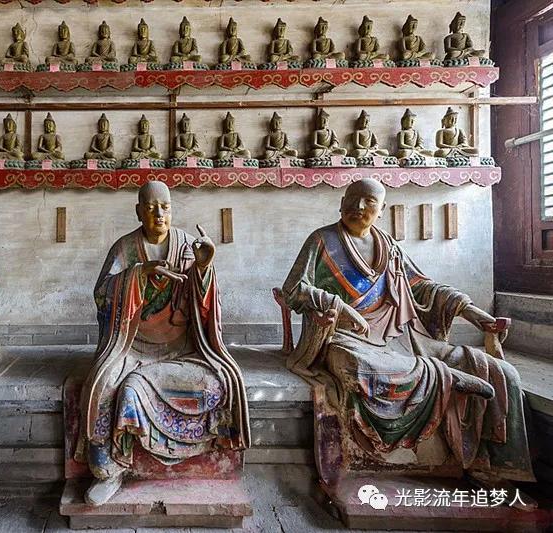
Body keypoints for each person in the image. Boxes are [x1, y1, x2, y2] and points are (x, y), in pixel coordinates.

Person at [282, 178, 534, 494]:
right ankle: (445, 380)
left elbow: (423, 287)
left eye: (369, 201)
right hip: (347, 338)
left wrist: (475, 314)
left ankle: (493, 467)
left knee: (502, 372)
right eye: (354, 199)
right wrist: (339, 306)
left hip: (403, 336)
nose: (359, 208)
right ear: (341, 201)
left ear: (381, 209)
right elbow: (294, 289)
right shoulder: (322, 241)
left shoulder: (388, 247)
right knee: (367, 369)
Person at [76, 181, 250, 506]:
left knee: (222, 383)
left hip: (181, 348)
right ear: (139, 211)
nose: (159, 213)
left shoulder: (186, 244)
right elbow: (101, 295)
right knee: (103, 389)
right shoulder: (125, 248)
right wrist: (138, 275)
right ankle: (109, 471)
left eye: (166, 206)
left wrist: (204, 267)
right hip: (132, 346)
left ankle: (200, 467)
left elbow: (206, 303)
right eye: (152, 206)